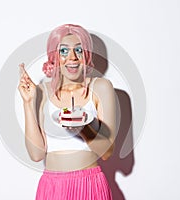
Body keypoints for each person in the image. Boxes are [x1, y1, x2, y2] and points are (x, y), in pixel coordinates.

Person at [18, 24, 117, 200]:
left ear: (86, 55)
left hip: (89, 185)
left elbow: (107, 152)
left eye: (79, 50)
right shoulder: (41, 91)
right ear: (53, 56)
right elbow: (36, 154)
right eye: (64, 51)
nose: (72, 57)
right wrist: (28, 102)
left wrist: (82, 128)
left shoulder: (101, 88)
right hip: (52, 187)